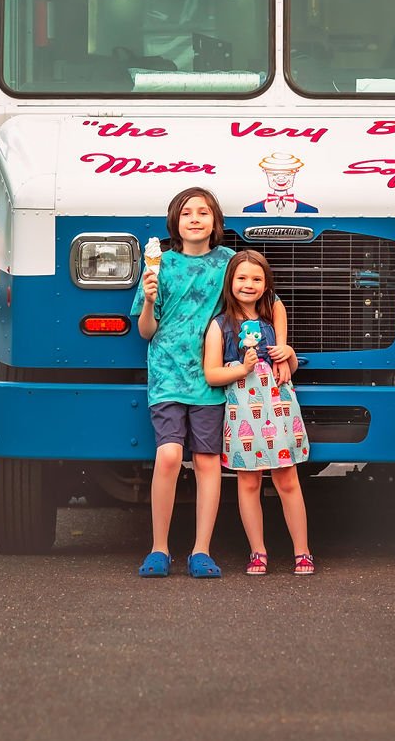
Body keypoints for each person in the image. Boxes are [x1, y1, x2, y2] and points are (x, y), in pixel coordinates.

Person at [132, 187, 234, 578]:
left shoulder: (227, 264)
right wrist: (146, 299)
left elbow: (262, 299)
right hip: (168, 374)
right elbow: (146, 331)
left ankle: (201, 551)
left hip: (210, 375)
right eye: (186, 212)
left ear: (215, 222)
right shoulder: (161, 266)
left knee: (208, 461)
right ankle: (159, 548)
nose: (195, 218)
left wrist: (284, 347)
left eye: (203, 212)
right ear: (175, 222)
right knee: (170, 456)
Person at [203, 250, 314, 575]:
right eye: (241, 278)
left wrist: (288, 352)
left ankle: (302, 551)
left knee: (288, 479)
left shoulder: (269, 325)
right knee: (248, 482)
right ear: (230, 283)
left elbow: (289, 370)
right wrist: (242, 369)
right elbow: (212, 373)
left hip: (278, 413)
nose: (248, 284)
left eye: (256, 279)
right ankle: (258, 552)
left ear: (267, 286)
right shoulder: (219, 327)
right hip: (242, 417)